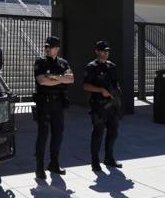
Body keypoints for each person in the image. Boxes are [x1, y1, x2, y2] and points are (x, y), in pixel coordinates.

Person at [33, 36, 74, 179]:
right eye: (46, 47)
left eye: (49, 47)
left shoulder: (63, 62)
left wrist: (53, 78)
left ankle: (54, 163)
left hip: (58, 104)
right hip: (44, 103)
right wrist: (60, 78)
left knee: (58, 134)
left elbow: (71, 79)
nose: (47, 49)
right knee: (43, 135)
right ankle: (39, 167)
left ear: (57, 48)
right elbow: (42, 81)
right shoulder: (40, 62)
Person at [83, 41, 123, 172]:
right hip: (99, 106)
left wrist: (117, 96)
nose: (106, 53)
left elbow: (116, 84)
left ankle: (109, 158)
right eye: (103, 51)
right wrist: (100, 90)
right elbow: (85, 86)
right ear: (97, 51)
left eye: (107, 51)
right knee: (98, 133)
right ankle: (95, 162)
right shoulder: (91, 67)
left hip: (112, 106)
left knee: (113, 133)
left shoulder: (112, 66)